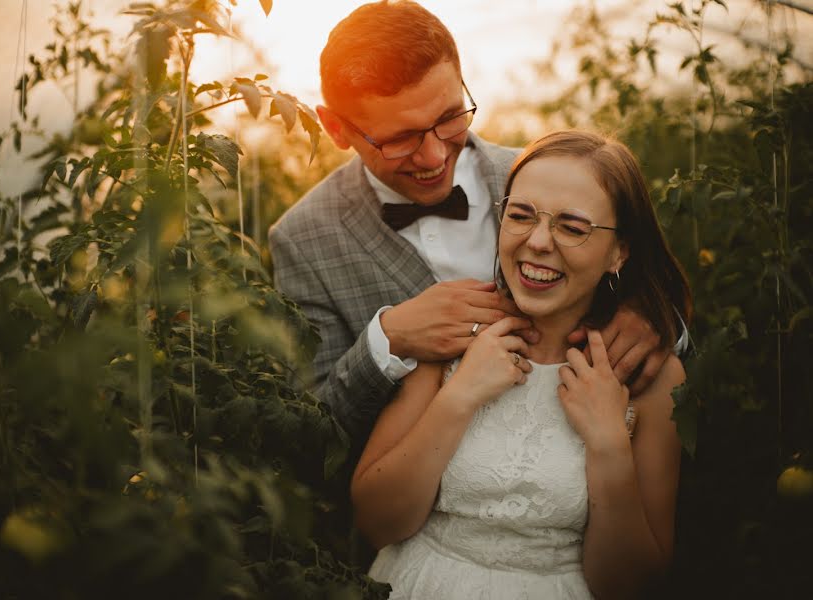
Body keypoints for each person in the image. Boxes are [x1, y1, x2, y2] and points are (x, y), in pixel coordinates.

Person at [268, 0, 681, 451]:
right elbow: (308, 433)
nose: (433, 156)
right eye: (400, 139)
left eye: (449, 118)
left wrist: (654, 317)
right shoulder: (303, 238)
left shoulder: (545, 178)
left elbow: (657, 303)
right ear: (334, 127)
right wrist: (387, 339)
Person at [351, 130, 692, 599]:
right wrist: (459, 396)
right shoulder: (452, 337)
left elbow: (629, 587)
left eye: (572, 227)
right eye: (520, 215)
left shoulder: (652, 378)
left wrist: (609, 444)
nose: (536, 242)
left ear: (620, 251)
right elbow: (375, 523)